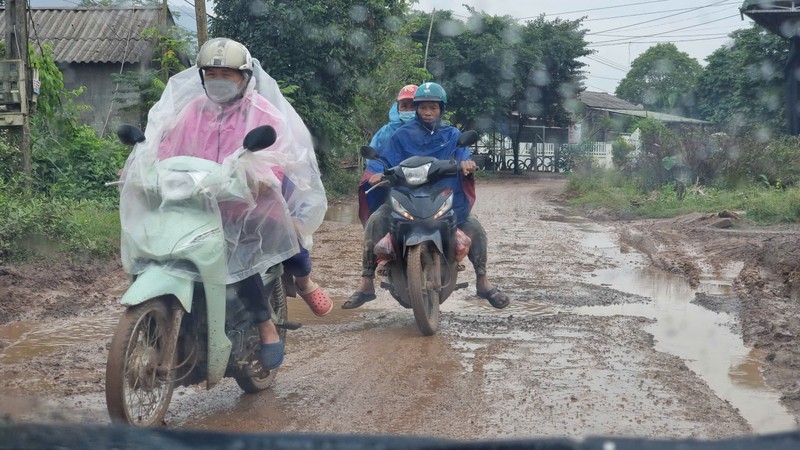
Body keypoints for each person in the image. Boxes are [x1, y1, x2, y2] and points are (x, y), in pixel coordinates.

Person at [119, 38, 330, 371]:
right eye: (211, 73)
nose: (218, 80)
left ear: (244, 77)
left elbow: (278, 156)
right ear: (201, 76)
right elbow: (165, 147)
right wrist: (140, 167)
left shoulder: (263, 113)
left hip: (245, 206)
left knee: (246, 253)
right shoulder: (191, 110)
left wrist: (258, 175)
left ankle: (270, 322)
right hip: (195, 203)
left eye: (227, 74)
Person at [343, 82, 510, 310]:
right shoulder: (401, 135)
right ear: (416, 109)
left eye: (433, 107)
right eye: (423, 108)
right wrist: (375, 173)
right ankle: (366, 283)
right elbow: (382, 159)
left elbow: (463, 154)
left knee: (475, 228)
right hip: (404, 195)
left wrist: (467, 163)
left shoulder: (452, 134)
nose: (428, 112)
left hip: (443, 196)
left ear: (441, 109)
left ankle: (483, 281)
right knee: (376, 221)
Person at [357, 84, 418, 226]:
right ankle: (373, 243)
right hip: (393, 182)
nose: (409, 110)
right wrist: (379, 173)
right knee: (376, 221)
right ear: (397, 108)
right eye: (404, 106)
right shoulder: (387, 132)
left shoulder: (431, 131)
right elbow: (376, 156)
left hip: (423, 182)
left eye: (413, 106)